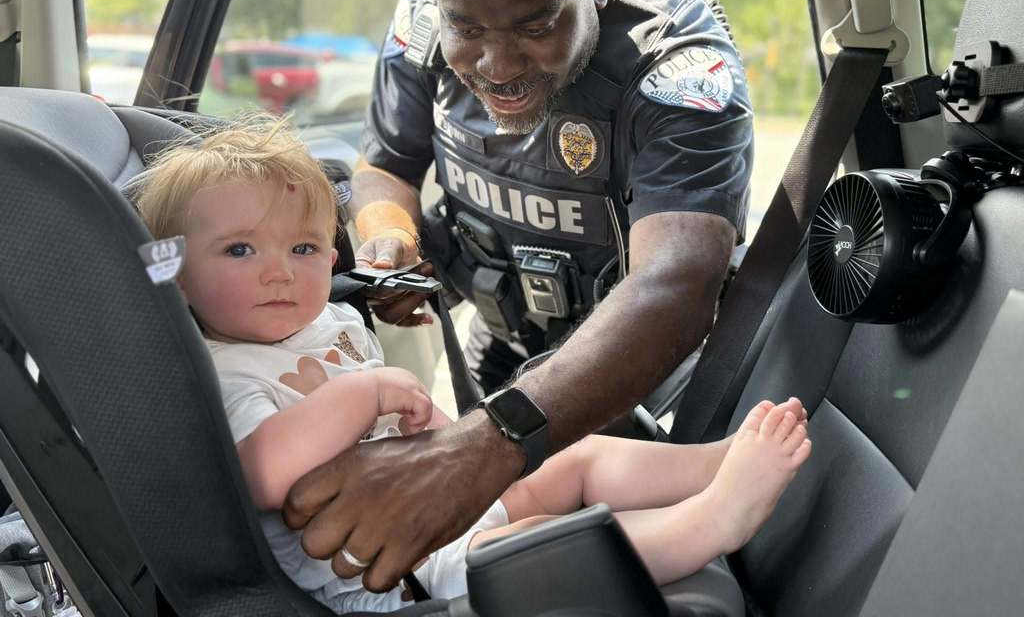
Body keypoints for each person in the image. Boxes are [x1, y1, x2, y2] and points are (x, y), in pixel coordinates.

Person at [286, 0, 756, 593]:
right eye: (466, 28)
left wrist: (482, 447)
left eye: (535, 25)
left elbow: (677, 283)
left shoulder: (679, 65)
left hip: (653, 378)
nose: (497, 65)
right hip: (502, 343)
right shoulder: (424, 12)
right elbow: (387, 166)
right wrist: (390, 242)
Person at [135, 118, 810, 613]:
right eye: (240, 252)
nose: (280, 272)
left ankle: (715, 463)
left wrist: (422, 421)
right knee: (542, 540)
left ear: (334, 258)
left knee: (575, 459)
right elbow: (263, 475)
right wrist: (368, 394)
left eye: (305, 248)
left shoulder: (328, 322)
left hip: (431, 502)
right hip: (388, 566)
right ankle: (713, 519)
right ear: (176, 277)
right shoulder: (220, 372)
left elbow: (390, 427)